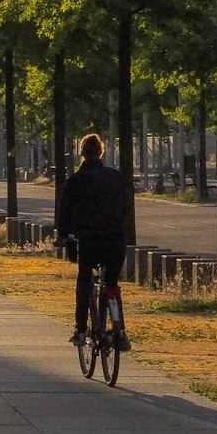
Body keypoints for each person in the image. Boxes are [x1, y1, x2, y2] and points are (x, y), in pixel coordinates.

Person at [55, 132, 131, 350]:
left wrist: (63, 235)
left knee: (85, 280)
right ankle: (119, 329)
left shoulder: (75, 180)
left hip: (89, 240)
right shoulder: (115, 177)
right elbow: (124, 207)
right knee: (112, 284)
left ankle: (80, 329)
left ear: (82, 154)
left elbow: (65, 213)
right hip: (115, 240)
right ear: (101, 152)